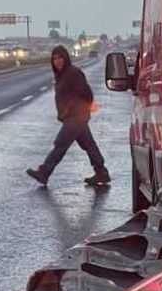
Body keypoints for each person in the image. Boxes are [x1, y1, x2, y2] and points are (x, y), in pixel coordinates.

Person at [27, 46, 110, 186]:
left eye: (60, 58)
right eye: (54, 59)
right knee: (89, 145)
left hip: (75, 117)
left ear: (66, 59)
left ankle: (44, 172)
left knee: (60, 144)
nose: (58, 61)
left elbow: (87, 93)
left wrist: (81, 108)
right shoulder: (61, 75)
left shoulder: (73, 73)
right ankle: (101, 172)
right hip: (75, 117)